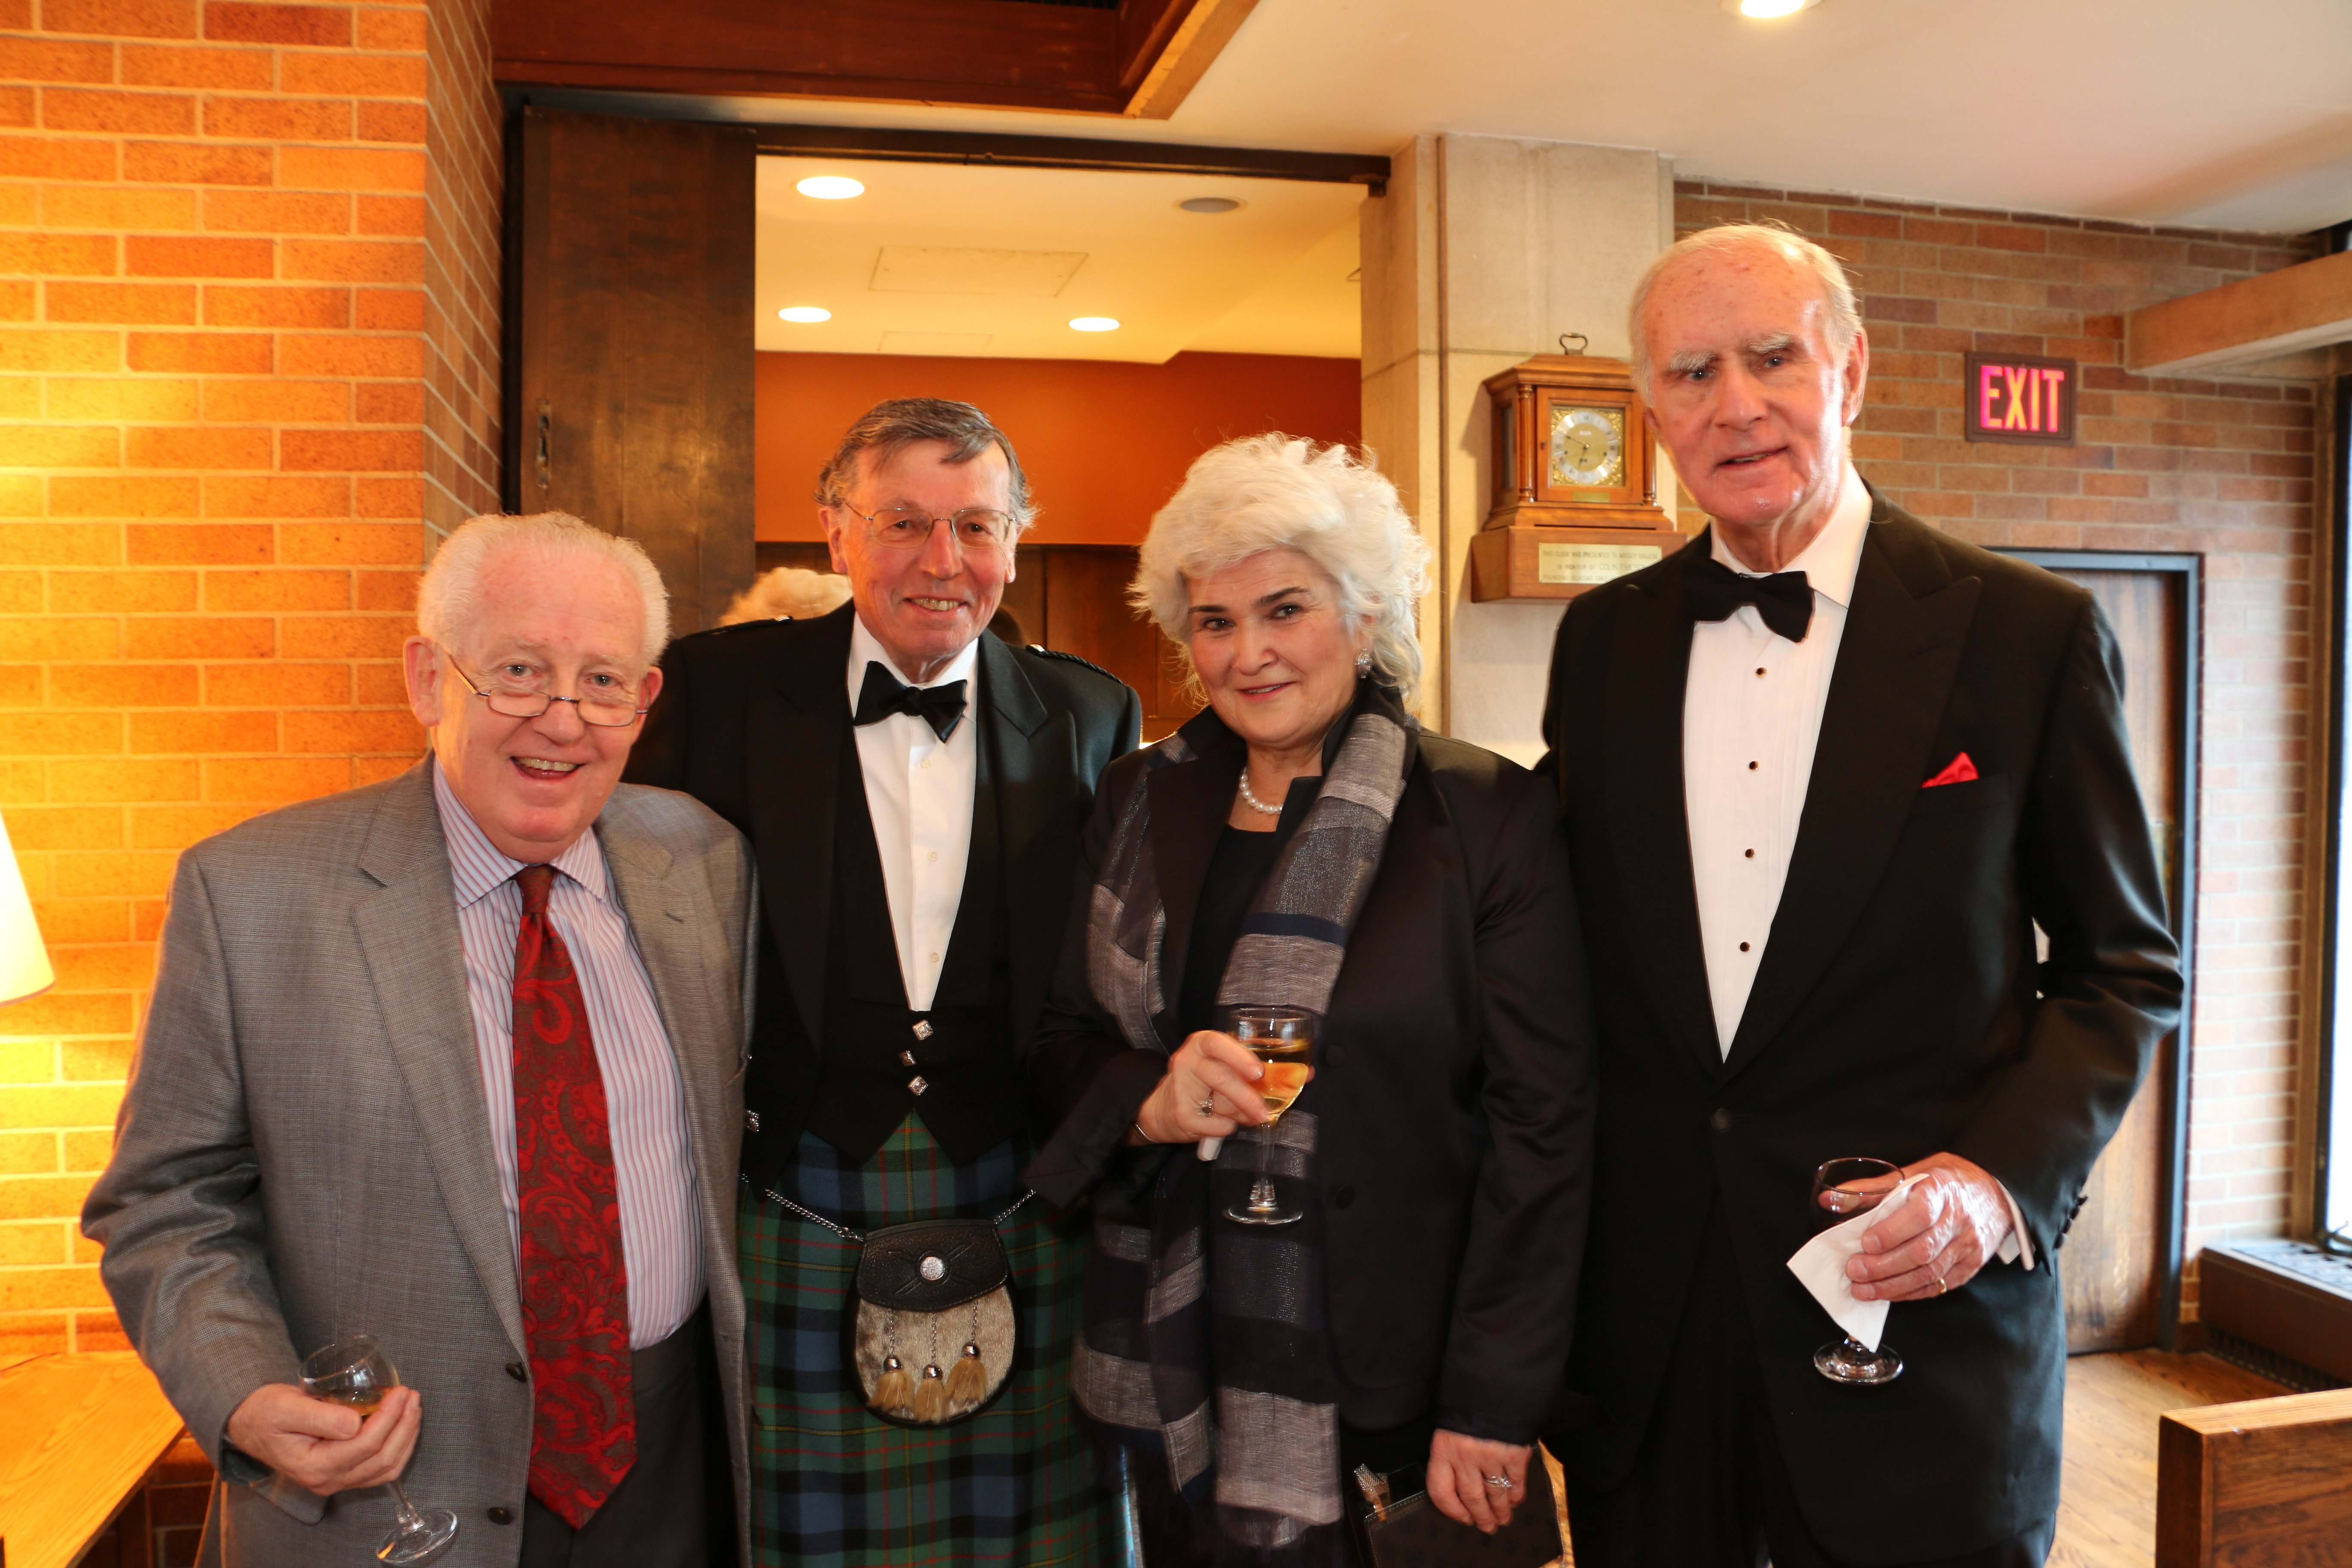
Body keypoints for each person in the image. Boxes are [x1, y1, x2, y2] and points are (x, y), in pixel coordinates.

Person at [1537, 223, 2183, 1568]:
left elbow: (2124, 967)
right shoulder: (1602, 644)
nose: (1736, 404)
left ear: (1853, 369)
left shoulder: (2028, 631)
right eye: (1693, 372)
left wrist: (1998, 1182)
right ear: (1654, 413)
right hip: (1653, 1343)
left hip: (1915, 1329)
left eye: (1773, 357)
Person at [84, 511, 758, 1568]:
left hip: (669, 1482)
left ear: (644, 700)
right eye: (519, 671)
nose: (562, 720)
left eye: (601, 681)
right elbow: (166, 1202)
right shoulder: (251, 894)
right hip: (382, 1504)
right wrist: (243, 1392)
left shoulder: (707, 861)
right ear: (428, 679)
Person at [1023, 434, 1597, 1564]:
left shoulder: (1484, 815)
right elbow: (1059, 1039)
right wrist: (1148, 1098)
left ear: (1365, 614)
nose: (1249, 655)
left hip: (1401, 1376)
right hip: (1179, 1361)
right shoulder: (1137, 798)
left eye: (1285, 610)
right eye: (1215, 621)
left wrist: (1491, 1400)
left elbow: (1547, 1129)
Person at [628, 397, 1140, 1565]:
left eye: (977, 526)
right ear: (836, 531)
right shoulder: (716, 689)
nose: (943, 561)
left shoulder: (1090, 710)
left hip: (1025, 1192)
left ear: (1015, 541)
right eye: (903, 522)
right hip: (797, 1184)